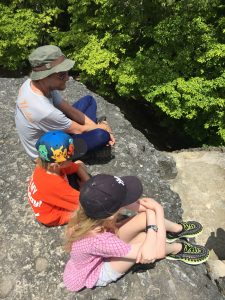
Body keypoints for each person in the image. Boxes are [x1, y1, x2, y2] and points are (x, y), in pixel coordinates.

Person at [63, 174, 209, 292]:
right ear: (110, 215)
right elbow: (153, 253)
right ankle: (177, 249)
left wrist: (143, 209)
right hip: (97, 270)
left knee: (146, 219)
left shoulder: (89, 210)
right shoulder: (100, 240)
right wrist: (157, 210)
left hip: (100, 248)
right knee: (145, 239)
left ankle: (176, 230)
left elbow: (128, 206)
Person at [15, 44, 115, 161]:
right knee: (101, 136)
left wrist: (97, 127)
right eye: (61, 75)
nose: (68, 78)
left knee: (89, 100)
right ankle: (75, 156)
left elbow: (68, 108)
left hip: (53, 131)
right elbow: (79, 130)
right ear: (43, 77)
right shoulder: (44, 110)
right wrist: (103, 129)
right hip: (50, 151)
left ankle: (90, 127)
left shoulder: (36, 84)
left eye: (66, 72)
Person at [27, 130, 90, 227]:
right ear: (56, 165)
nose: (72, 159)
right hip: (54, 215)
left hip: (51, 197)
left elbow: (76, 166)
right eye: (70, 158)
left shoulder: (44, 167)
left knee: (79, 163)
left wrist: (87, 182)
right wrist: (86, 190)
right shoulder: (54, 184)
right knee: (90, 212)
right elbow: (86, 202)